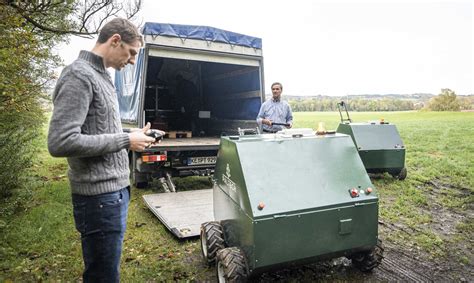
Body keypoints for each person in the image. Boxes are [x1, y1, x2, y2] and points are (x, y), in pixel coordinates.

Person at [47, 18, 159, 282]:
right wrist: (125, 141)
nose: (132, 61)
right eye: (131, 53)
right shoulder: (79, 74)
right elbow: (60, 142)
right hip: (98, 199)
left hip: (113, 193)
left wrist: (131, 134)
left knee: (107, 270)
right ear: (115, 40)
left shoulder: (102, 76)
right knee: (103, 276)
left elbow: (99, 130)